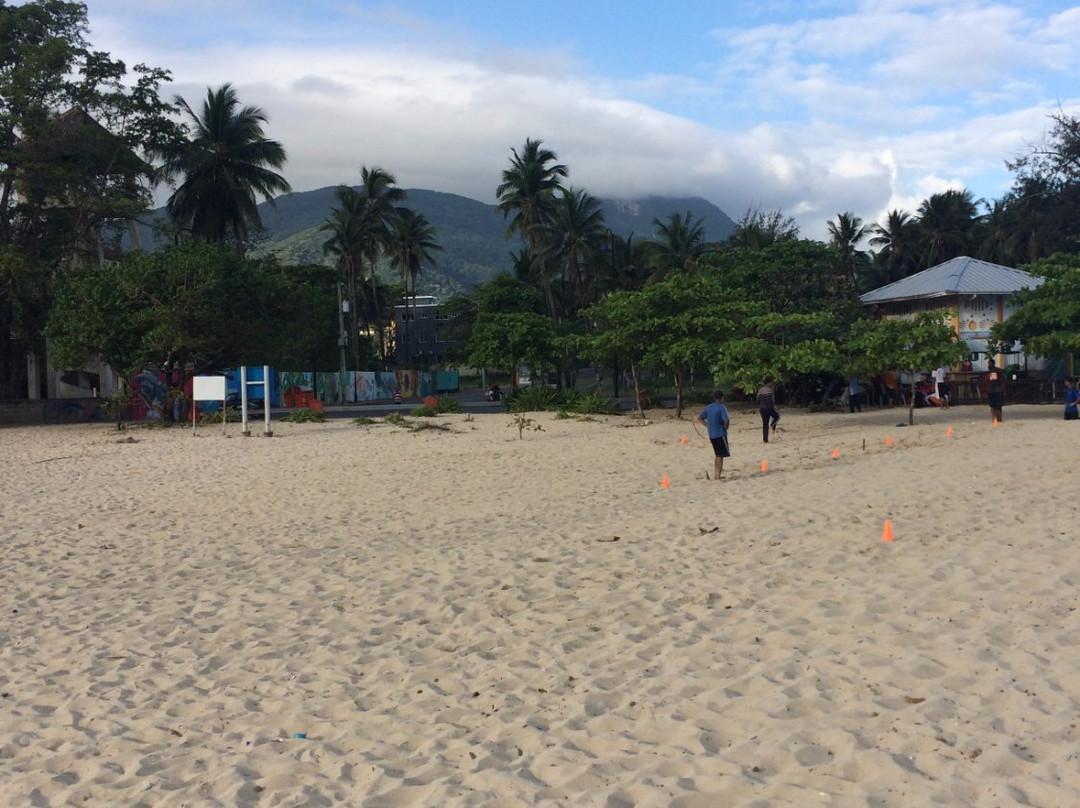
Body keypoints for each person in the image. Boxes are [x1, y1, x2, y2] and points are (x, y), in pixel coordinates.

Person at [697, 390, 731, 481]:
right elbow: (726, 420)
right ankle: (717, 476)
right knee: (720, 455)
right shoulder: (721, 407)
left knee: (717, 455)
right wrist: (726, 427)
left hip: (712, 434)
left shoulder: (708, 407)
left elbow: (700, 418)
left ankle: (717, 475)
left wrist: (707, 425)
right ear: (721, 398)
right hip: (720, 434)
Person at [756, 378, 781, 443]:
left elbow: (758, 399)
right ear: (768, 383)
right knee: (777, 417)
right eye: (771, 382)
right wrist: (774, 406)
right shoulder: (770, 390)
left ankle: (765, 439)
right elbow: (772, 400)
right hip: (769, 407)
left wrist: (760, 405)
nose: (772, 384)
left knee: (765, 424)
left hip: (762, 408)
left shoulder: (760, 390)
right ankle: (772, 425)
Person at [984, 358, 1006, 423]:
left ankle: (995, 418)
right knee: (998, 405)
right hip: (998, 390)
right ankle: (999, 418)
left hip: (994, 390)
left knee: (993, 405)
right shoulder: (999, 370)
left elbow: (992, 380)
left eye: (989, 364)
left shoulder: (993, 371)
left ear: (992, 364)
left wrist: (987, 377)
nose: (988, 365)